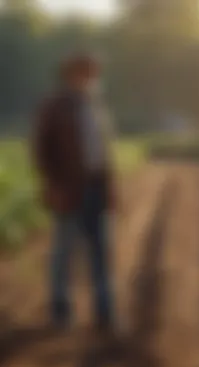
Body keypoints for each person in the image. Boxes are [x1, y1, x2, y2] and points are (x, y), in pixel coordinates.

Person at [32, 53, 115, 330]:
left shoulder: (94, 105)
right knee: (64, 252)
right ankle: (60, 310)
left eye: (93, 74)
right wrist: (53, 184)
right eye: (87, 73)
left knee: (101, 251)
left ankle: (104, 311)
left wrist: (110, 187)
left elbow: (103, 150)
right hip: (69, 189)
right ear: (71, 75)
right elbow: (41, 150)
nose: (92, 78)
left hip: (96, 187)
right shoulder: (55, 106)